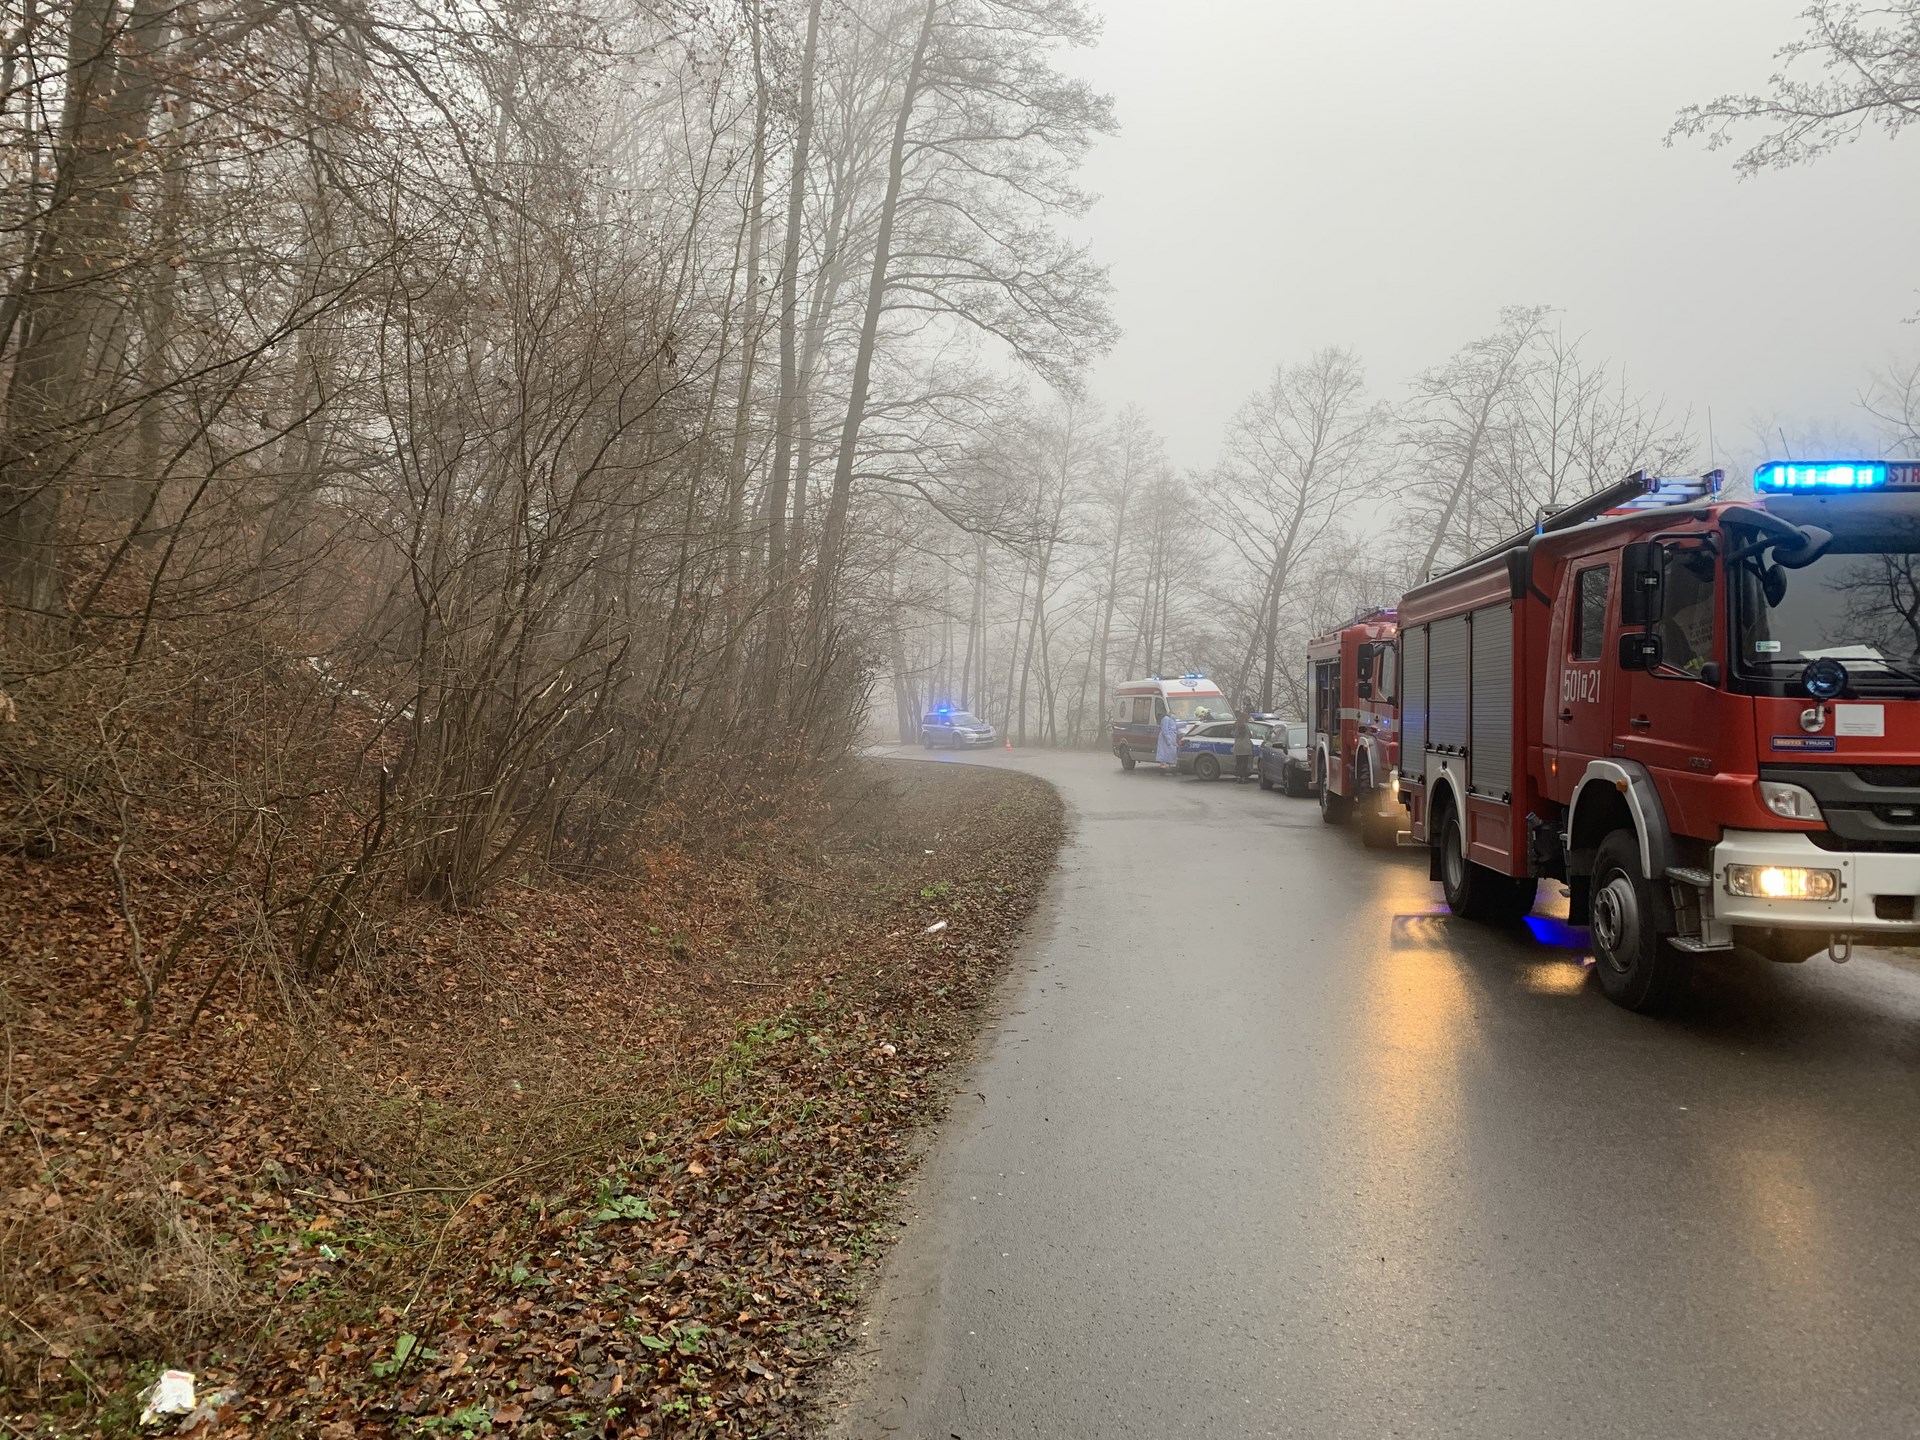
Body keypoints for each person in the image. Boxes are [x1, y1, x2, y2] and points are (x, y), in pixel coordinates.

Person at [1232, 700, 1253, 783]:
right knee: (1244, 764)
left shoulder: (1236, 725)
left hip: (1238, 748)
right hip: (1245, 748)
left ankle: (1238, 777)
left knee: (1238, 763)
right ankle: (1243, 778)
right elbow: (1250, 735)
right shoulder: (1246, 726)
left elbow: (1234, 735)